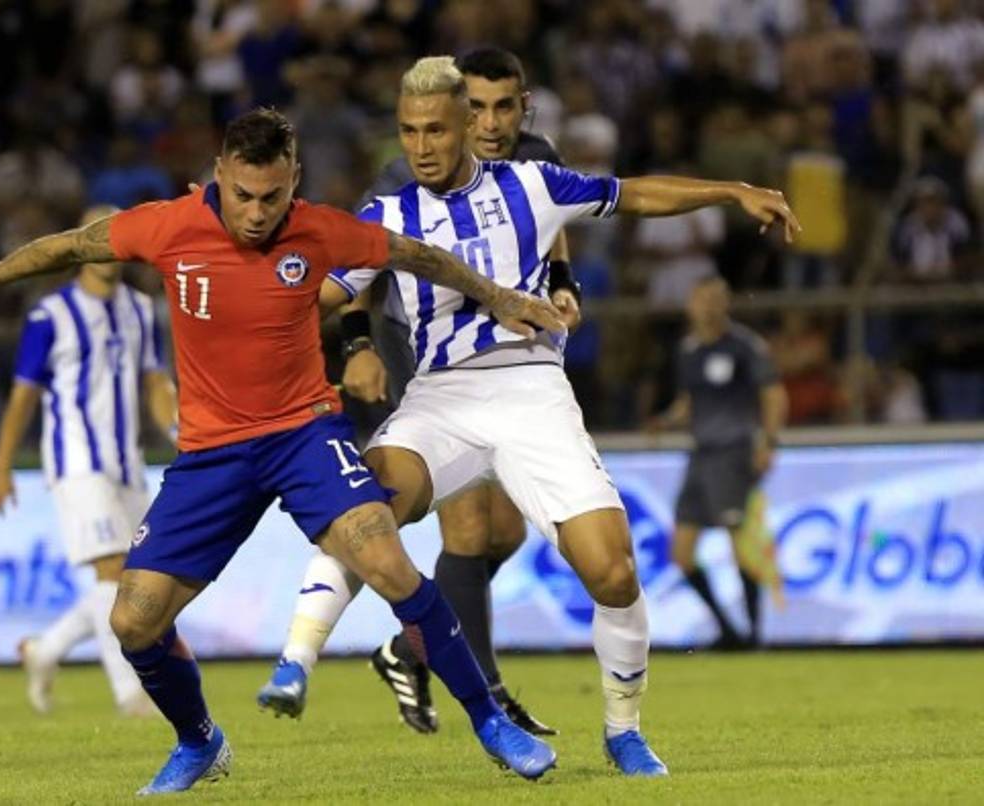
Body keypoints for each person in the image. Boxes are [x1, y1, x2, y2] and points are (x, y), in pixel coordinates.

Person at [0, 108, 565, 794]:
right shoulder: (169, 225)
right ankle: (199, 741)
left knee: (387, 560)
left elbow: (418, 255)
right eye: (244, 195)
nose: (258, 212)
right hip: (213, 455)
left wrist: (498, 295)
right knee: (132, 620)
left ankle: (489, 722)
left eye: (272, 197)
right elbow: (72, 245)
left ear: (293, 180)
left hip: (304, 435)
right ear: (220, 175)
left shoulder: (321, 230)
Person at [253, 56, 799, 777]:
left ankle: (623, 731)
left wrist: (732, 191)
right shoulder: (384, 216)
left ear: (470, 126)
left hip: (533, 393)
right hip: (439, 397)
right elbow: (320, 296)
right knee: (373, 502)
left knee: (612, 572)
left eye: (436, 130)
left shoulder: (535, 186)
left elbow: (634, 194)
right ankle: (294, 663)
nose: (420, 146)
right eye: (408, 132)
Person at [259, 46, 576, 736]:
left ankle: (410, 649)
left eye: (503, 107)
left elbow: (552, 235)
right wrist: (358, 345)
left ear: (522, 106)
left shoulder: (536, 160)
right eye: (479, 107)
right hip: (419, 350)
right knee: (466, 526)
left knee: (505, 531)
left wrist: (563, 286)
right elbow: (358, 264)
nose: (491, 123)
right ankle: (489, 696)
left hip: (508, 355)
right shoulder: (404, 175)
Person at [0, 205, 178, 717]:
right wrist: (1, 466)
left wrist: (179, 429)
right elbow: (24, 395)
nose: (109, 244)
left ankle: (44, 650)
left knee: (138, 579)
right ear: (79, 242)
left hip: (127, 461)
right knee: (111, 571)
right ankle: (131, 696)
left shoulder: (141, 307)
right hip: (75, 459)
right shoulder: (50, 315)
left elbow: (154, 380)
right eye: (98, 235)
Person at [648, 276, 788, 648]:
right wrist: (666, 420)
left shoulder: (744, 347)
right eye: (702, 299)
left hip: (733, 453)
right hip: (700, 455)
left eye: (716, 299)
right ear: (691, 305)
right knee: (681, 552)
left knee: (739, 545)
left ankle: (754, 635)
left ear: (726, 304)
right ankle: (728, 629)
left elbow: (773, 395)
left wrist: (768, 443)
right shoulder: (689, 349)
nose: (708, 306)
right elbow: (690, 401)